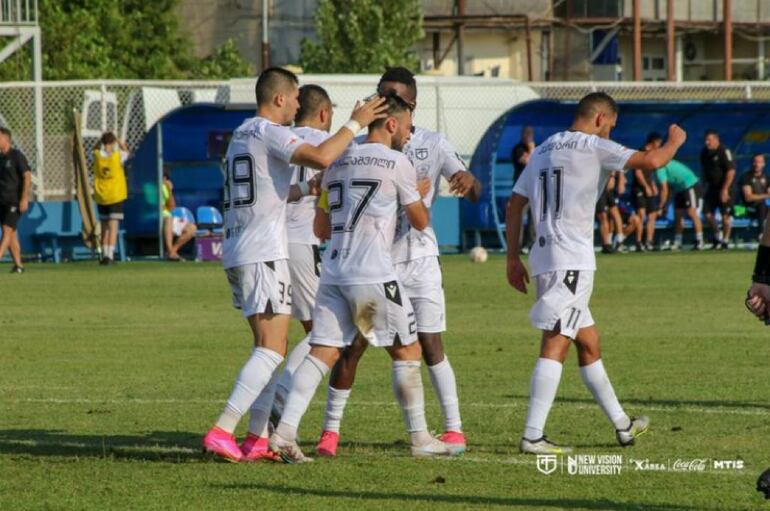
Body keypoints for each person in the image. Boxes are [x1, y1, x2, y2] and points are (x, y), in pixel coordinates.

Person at [201, 67, 387, 463]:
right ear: (280, 99)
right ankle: (222, 429)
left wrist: (305, 188)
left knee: (272, 346)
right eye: (296, 97)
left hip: (239, 247)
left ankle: (255, 440)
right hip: (262, 251)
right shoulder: (268, 131)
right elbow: (321, 156)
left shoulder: (241, 134)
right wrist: (357, 122)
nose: (299, 105)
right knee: (272, 350)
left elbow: (269, 191)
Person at [269, 92, 451, 462]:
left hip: (335, 273)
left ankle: (285, 433)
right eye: (405, 127)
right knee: (406, 349)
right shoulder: (397, 162)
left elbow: (320, 227)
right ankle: (420, 438)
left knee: (323, 351)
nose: (407, 135)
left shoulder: (336, 161)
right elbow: (420, 222)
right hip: (373, 277)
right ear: (392, 124)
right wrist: (415, 195)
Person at [506, 92, 687, 454]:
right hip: (571, 260)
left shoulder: (543, 148)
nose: (610, 134)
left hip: (544, 260)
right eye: (612, 127)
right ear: (601, 118)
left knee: (588, 343)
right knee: (556, 340)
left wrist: (512, 257)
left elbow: (515, 204)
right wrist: (676, 139)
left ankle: (622, 425)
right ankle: (533, 435)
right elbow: (653, 160)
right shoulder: (593, 145)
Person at [314, 67, 481, 458]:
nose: (385, 98)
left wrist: (469, 182)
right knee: (353, 345)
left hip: (419, 262)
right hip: (375, 265)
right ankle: (329, 432)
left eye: (395, 95)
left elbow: (469, 185)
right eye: (381, 92)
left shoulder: (433, 143)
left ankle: (453, 429)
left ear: (411, 104)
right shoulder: (356, 145)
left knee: (430, 342)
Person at [270, 84, 334, 420]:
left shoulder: (280, 140)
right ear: (324, 113)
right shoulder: (327, 144)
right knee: (324, 330)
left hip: (275, 243)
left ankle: (273, 400)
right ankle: (279, 397)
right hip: (302, 241)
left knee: (279, 334)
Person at [93, 132, 129, 265]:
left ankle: (104, 255)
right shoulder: (117, 156)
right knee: (114, 226)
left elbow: (95, 149)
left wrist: (100, 140)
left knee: (104, 227)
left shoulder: (97, 156)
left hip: (101, 195)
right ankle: (110, 255)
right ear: (113, 143)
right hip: (115, 194)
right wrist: (119, 140)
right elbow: (126, 150)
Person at [0, 127, 32, 273]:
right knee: (11, 234)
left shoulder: (17, 156)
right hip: (2, 201)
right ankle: (19, 265)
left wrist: (24, 198)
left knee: (7, 230)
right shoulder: (1, 158)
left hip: (14, 201)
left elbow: (27, 176)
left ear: (6, 139)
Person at [656, 159, 704, 250]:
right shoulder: (660, 167)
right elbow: (667, 189)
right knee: (678, 215)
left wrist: (661, 206)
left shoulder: (659, 168)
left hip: (690, 185)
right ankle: (678, 242)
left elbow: (664, 189)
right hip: (679, 189)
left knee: (691, 212)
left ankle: (699, 241)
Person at [700, 129, 736, 250]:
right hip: (711, 188)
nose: (707, 142)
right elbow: (704, 171)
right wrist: (703, 186)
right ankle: (717, 235)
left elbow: (731, 171)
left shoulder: (724, 151)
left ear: (716, 139)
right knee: (707, 213)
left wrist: (725, 189)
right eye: (705, 140)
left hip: (725, 187)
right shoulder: (704, 153)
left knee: (725, 215)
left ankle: (726, 240)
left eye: (709, 140)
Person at [631, 133, 663, 250]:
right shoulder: (641, 152)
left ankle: (649, 241)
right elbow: (638, 173)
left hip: (648, 187)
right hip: (639, 188)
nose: (660, 146)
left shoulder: (653, 154)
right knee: (641, 214)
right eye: (659, 143)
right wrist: (646, 187)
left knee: (652, 215)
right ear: (653, 142)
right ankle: (638, 242)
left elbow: (650, 173)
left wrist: (653, 185)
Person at [161, 173, 197, 261]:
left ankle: (172, 252)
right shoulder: (149, 186)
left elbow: (172, 206)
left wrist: (169, 190)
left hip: (167, 217)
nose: (165, 180)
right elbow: (152, 205)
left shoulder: (165, 188)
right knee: (169, 219)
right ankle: (170, 251)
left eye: (166, 178)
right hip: (154, 218)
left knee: (192, 228)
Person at [512, 126, 536, 250]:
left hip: (535, 188)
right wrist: (531, 149)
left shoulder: (540, 149)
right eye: (526, 133)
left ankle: (532, 244)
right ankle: (518, 246)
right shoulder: (518, 149)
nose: (528, 136)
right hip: (521, 190)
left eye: (530, 133)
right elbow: (527, 162)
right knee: (519, 217)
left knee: (535, 218)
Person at [739, 153, 770, 228]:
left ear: (763, 164)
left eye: (759, 162)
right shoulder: (746, 177)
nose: (757, 164)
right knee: (762, 204)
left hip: (763, 209)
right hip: (747, 209)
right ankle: (761, 233)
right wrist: (766, 196)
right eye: (755, 161)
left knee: (764, 206)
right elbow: (748, 198)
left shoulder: (767, 178)